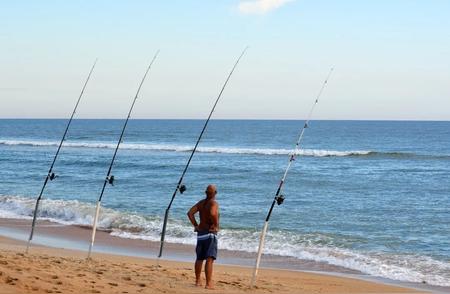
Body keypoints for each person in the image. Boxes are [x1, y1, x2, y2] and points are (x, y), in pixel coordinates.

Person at [187, 184, 220, 289]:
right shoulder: (213, 203)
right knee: (209, 259)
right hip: (210, 234)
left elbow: (190, 213)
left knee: (199, 258)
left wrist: (196, 226)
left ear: (206, 193)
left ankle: (197, 281)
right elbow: (213, 213)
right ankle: (208, 283)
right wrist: (215, 225)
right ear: (215, 193)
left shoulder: (201, 203)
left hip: (201, 234)